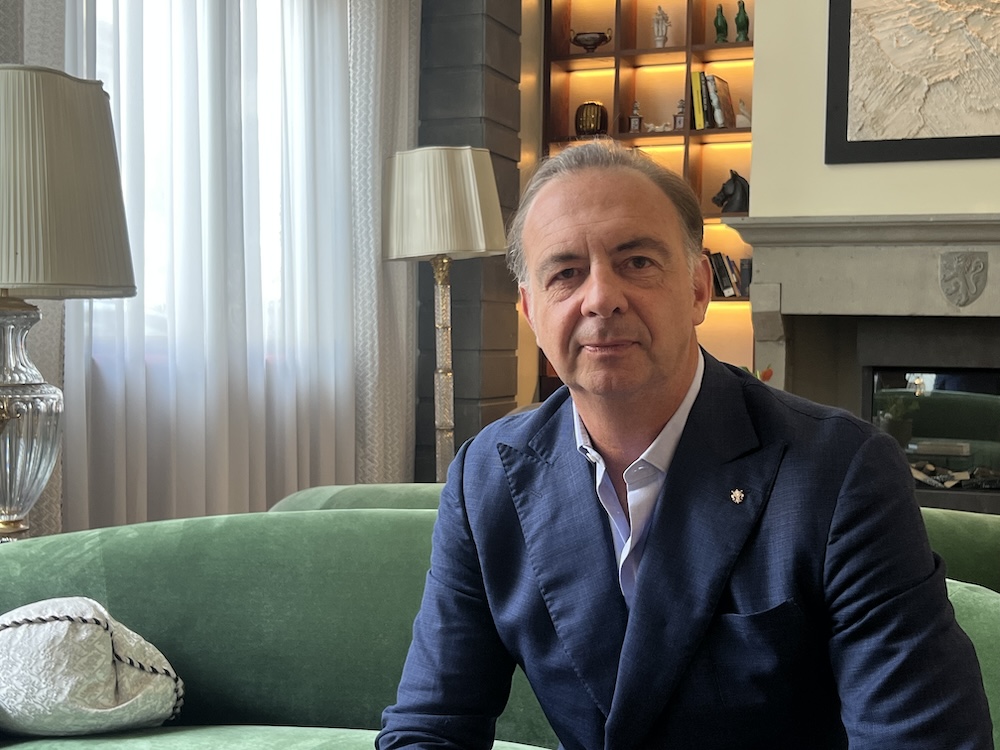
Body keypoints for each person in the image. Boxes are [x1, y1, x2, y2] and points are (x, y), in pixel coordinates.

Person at [378, 141, 992, 749]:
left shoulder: (842, 472)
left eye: (637, 262)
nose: (601, 298)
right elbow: (431, 725)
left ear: (699, 288)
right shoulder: (485, 475)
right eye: (565, 273)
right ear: (531, 310)